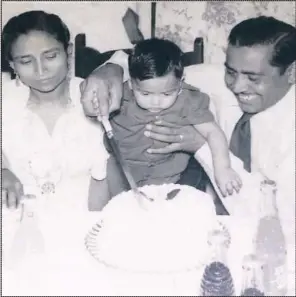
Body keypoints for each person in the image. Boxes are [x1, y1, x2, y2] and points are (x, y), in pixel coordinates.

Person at [80, 16, 295, 243]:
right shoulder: (211, 81)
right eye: (231, 72)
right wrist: (110, 71)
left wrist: (200, 146)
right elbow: (151, 69)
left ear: (291, 72)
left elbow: (276, 217)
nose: (238, 86)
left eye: (253, 78)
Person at [88, 38, 242, 210]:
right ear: (131, 83)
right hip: (127, 175)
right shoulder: (118, 97)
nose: (156, 101)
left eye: (167, 94)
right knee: (113, 201)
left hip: (175, 177)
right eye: (145, 94)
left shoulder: (189, 101)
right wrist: (98, 105)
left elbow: (213, 133)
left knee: (190, 207)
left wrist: (223, 169)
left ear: (181, 81)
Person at [2, 10, 108, 212]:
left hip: (84, 224)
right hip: (19, 224)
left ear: (68, 52)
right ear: (12, 65)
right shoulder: (6, 101)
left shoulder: (94, 97)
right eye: (26, 61)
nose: (40, 71)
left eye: (50, 56)